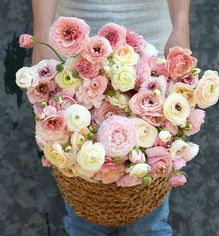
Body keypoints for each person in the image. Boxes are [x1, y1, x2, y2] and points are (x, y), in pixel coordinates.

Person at [32, 0, 190, 235]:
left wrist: (180, 26)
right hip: (74, 53)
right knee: (82, 211)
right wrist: (42, 34)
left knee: (151, 217)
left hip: (151, 47)